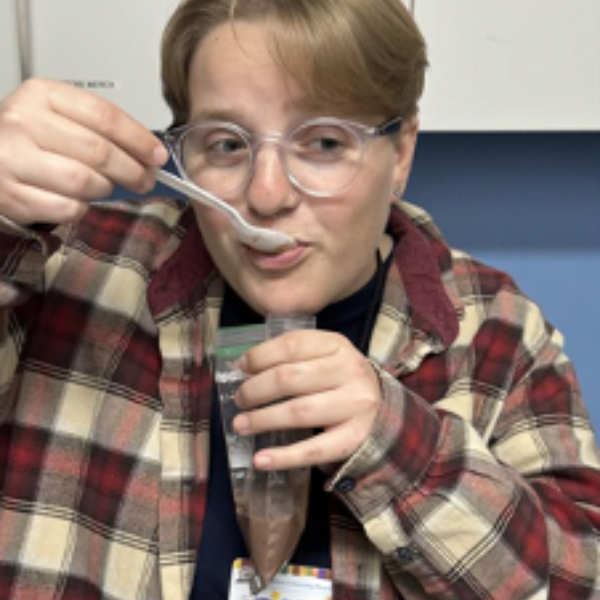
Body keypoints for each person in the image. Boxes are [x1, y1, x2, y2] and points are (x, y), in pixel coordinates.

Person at [0, 0, 599, 599]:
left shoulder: (496, 331)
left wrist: (396, 443)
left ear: (402, 153)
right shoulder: (67, 267)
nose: (265, 196)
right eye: (227, 145)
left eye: (324, 142)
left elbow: (582, 579)